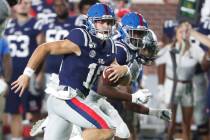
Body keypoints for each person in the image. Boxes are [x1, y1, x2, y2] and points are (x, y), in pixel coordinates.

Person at [11, 3, 136, 140]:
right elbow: (44, 48)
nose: (106, 26)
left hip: (71, 101)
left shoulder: (110, 46)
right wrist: (26, 74)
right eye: (101, 22)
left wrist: (125, 70)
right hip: (67, 98)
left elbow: (124, 79)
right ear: (90, 22)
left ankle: (53, 125)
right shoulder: (82, 37)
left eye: (109, 22)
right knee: (107, 129)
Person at [156, 22, 210, 140]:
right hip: (171, 85)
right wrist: (160, 86)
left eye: (186, 32)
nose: (183, 35)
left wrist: (208, 55)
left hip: (188, 86)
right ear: (176, 33)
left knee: (187, 124)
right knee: (171, 123)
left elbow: (205, 66)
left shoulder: (195, 49)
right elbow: (158, 64)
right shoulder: (169, 48)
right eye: (181, 32)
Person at [3, 0, 44, 139]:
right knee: (13, 110)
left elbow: (42, 51)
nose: (23, 5)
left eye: (26, 2)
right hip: (11, 73)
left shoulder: (36, 24)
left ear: (30, 5)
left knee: (33, 110)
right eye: (20, 2)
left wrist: (40, 73)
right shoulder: (8, 24)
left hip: (28, 73)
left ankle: (36, 136)